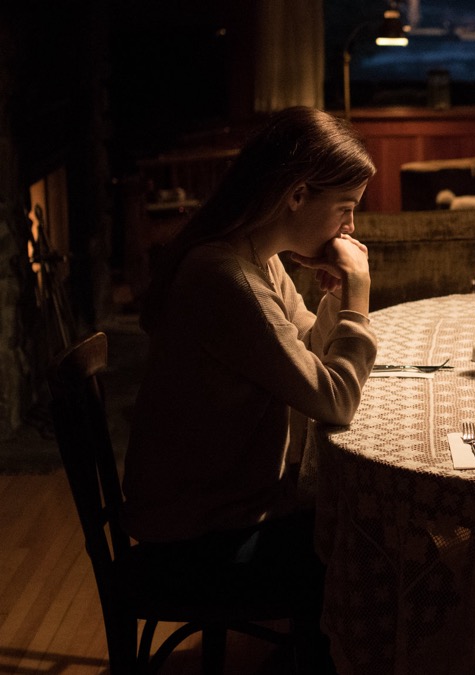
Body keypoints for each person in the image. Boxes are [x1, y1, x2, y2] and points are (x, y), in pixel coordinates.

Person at [120, 106, 378, 661]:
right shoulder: (223, 277)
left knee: (360, 521)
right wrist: (358, 292)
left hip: (219, 506)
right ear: (298, 194)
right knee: (370, 544)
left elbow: (307, 351)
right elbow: (334, 400)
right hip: (198, 537)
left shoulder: (255, 256)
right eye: (346, 209)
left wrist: (333, 298)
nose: (350, 229)